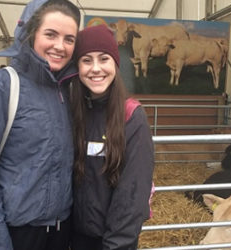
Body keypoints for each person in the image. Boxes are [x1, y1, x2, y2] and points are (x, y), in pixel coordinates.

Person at [0, 0, 80, 249]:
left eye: (69, 39)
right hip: (15, 232)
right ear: (30, 33)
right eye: (51, 34)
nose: (60, 46)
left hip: (61, 229)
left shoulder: (68, 91)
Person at [70, 24, 155, 250]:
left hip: (113, 242)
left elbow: (133, 195)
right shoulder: (73, 113)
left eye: (104, 59)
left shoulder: (131, 117)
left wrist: (115, 245)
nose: (95, 68)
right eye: (86, 60)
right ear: (77, 66)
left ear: (115, 64)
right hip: (75, 239)